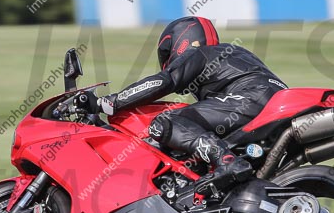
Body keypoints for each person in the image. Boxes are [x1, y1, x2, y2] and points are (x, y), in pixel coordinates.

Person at [95, 16, 288, 194]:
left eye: (167, 52)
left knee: (166, 122)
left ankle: (227, 161)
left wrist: (109, 102)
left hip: (251, 98)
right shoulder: (233, 54)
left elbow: (162, 81)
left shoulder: (199, 53)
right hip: (275, 101)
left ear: (181, 41)